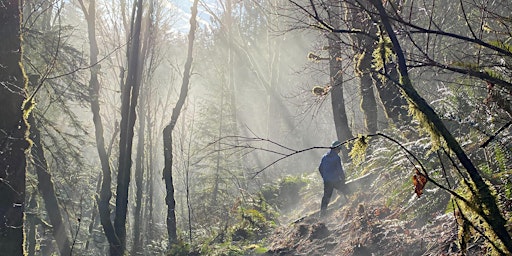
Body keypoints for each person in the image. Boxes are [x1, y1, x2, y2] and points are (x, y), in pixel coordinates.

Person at [319, 140, 346, 216]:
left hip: (327, 181)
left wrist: (324, 177)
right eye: (339, 150)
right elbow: (340, 170)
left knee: (326, 198)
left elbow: (320, 168)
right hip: (335, 180)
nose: (339, 151)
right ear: (337, 149)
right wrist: (343, 179)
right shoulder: (336, 158)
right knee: (346, 189)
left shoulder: (324, 157)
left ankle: (322, 215)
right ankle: (351, 203)